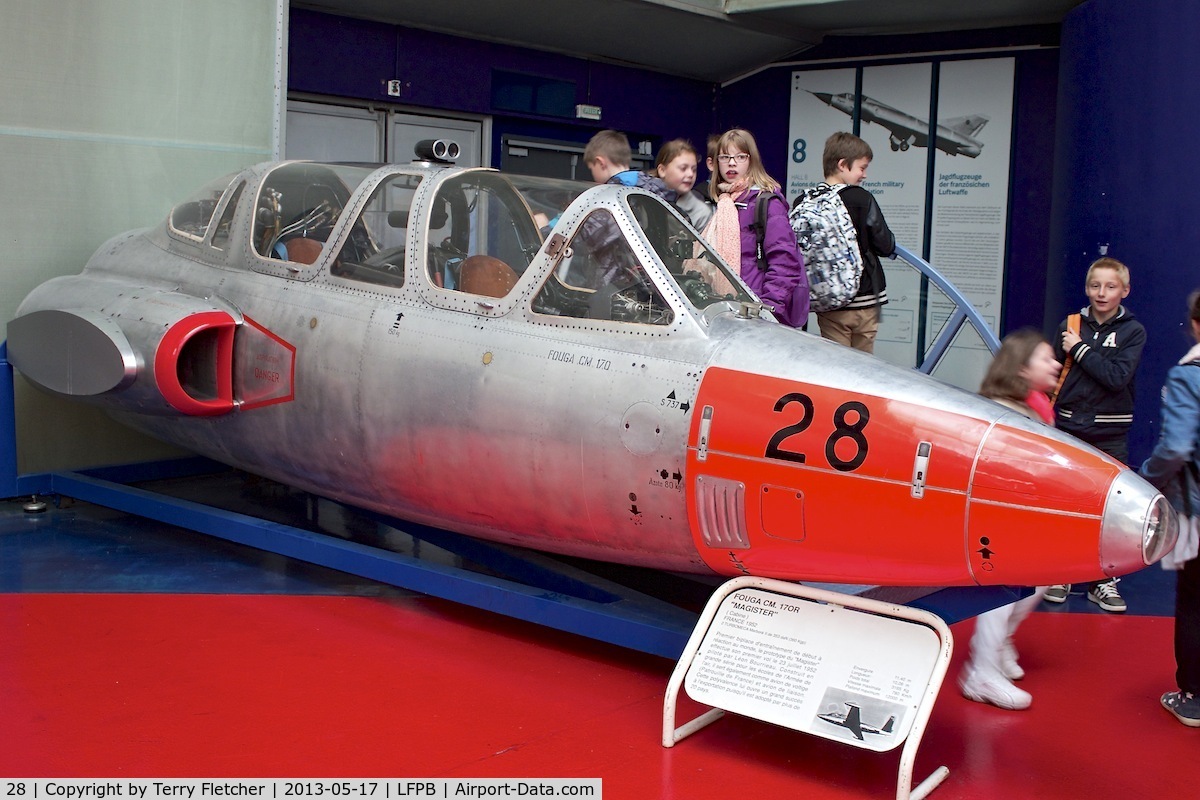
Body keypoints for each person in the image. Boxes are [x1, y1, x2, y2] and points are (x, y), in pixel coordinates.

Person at [959, 328, 1061, 710]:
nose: (1055, 364)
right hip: (996, 526)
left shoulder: (1033, 407)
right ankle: (981, 671)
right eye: (1045, 358)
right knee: (1002, 589)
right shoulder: (1003, 414)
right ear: (1021, 368)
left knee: (1036, 581)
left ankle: (997, 646)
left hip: (1018, 520)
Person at [1044, 257, 1147, 612]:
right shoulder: (1070, 325)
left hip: (1111, 433)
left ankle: (1102, 580)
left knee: (1107, 510)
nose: (1102, 293)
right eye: (1095, 286)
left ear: (1125, 291)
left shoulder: (1133, 331)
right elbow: (1052, 375)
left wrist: (1081, 349)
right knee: (1066, 504)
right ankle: (1062, 571)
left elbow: (1116, 376)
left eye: (1110, 287)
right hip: (1070, 429)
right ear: (1087, 288)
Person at [1139, 290, 1200, 727]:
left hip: (1197, 510)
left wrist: (1146, 478)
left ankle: (1194, 697)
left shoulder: (1189, 376)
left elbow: (1176, 446)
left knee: (1195, 601)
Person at [704, 128, 808, 327]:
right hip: (726, 310)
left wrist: (767, 309)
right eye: (725, 157)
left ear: (751, 161)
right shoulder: (724, 202)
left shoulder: (767, 202)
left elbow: (785, 262)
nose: (732, 163)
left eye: (740, 156)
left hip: (755, 313)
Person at [810, 132, 896, 353]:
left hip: (828, 299)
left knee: (836, 365)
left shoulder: (807, 200)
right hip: (865, 298)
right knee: (863, 367)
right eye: (862, 167)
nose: (865, 175)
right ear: (842, 165)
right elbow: (885, 245)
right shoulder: (860, 198)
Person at [654, 139, 713, 231]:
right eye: (683, 168)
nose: (690, 174)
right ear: (662, 170)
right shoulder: (641, 195)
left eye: (694, 169)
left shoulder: (701, 213)